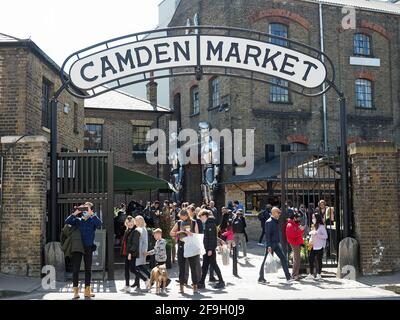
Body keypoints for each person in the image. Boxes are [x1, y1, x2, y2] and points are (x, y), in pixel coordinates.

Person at [64, 202, 102, 299]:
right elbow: (67, 221)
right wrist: (76, 212)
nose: (85, 211)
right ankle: (75, 292)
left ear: (91, 210)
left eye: (87, 209)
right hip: (78, 247)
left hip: (88, 247)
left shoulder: (93, 220)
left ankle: (87, 291)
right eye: (84, 209)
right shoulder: (78, 220)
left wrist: (91, 214)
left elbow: (99, 224)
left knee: (88, 269)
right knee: (76, 269)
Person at [258, 207, 293, 284]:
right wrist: (269, 246)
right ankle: (261, 278)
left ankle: (288, 277)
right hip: (271, 244)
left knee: (283, 259)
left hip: (276, 244)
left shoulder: (275, 221)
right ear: (274, 213)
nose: (279, 214)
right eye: (278, 212)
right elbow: (267, 235)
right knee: (265, 261)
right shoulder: (269, 222)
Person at [170, 209, 200, 294]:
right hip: (181, 246)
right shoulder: (179, 223)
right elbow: (171, 233)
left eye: (182, 217)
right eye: (180, 217)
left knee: (193, 267)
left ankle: (195, 286)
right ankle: (181, 286)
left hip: (191, 245)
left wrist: (191, 234)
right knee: (182, 267)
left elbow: (197, 235)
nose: (181, 218)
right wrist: (179, 232)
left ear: (186, 216)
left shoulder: (194, 222)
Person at [197, 210, 225, 289]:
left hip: (210, 249)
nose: (200, 218)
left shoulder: (210, 224)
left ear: (204, 216)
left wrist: (210, 249)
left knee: (214, 265)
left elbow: (212, 238)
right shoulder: (207, 224)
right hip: (207, 249)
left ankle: (221, 281)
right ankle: (202, 282)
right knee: (205, 266)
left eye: (200, 216)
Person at [120, 216, 146, 293]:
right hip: (127, 253)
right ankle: (127, 285)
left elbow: (135, 244)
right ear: (126, 223)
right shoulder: (127, 230)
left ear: (133, 222)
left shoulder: (135, 231)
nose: (129, 224)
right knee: (126, 270)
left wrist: (130, 253)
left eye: (131, 222)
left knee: (132, 269)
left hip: (132, 253)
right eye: (128, 223)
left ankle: (145, 279)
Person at [306, 213, 328, 281]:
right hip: (312, 244)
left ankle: (319, 274)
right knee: (310, 259)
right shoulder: (313, 225)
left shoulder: (321, 226)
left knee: (319, 260)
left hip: (319, 245)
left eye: (314, 217)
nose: (313, 219)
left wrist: (317, 234)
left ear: (317, 218)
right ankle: (311, 274)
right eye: (312, 218)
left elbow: (325, 236)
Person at [131, 215, 151, 289]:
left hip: (141, 251)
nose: (137, 222)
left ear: (141, 221)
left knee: (139, 266)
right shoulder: (138, 228)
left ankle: (150, 277)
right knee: (138, 267)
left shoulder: (143, 229)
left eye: (138, 221)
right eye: (136, 221)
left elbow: (145, 242)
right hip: (138, 251)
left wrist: (144, 251)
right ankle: (137, 282)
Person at [286, 211, 305, 280]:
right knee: (296, 259)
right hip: (294, 243)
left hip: (297, 242)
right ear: (294, 218)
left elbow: (297, 232)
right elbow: (293, 235)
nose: (299, 219)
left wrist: (301, 230)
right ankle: (294, 275)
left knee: (297, 259)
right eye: (298, 218)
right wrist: (301, 230)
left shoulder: (294, 223)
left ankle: (296, 274)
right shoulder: (290, 225)